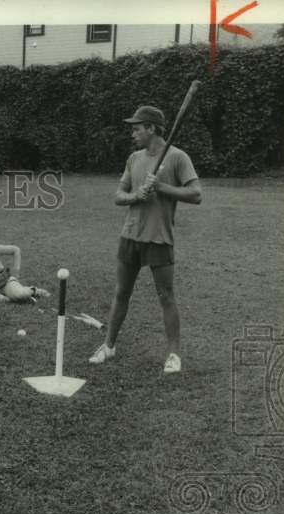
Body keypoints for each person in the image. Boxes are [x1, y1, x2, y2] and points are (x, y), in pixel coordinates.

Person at [88, 105, 202, 374]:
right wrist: (137, 195)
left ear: (151, 128)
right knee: (121, 292)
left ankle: (173, 355)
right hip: (130, 235)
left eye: (137, 128)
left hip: (159, 238)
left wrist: (161, 187)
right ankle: (109, 346)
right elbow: (119, 196)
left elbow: (196, 194)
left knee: (166, 296)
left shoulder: (177, 158)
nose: (133, 133)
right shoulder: (134, 158)